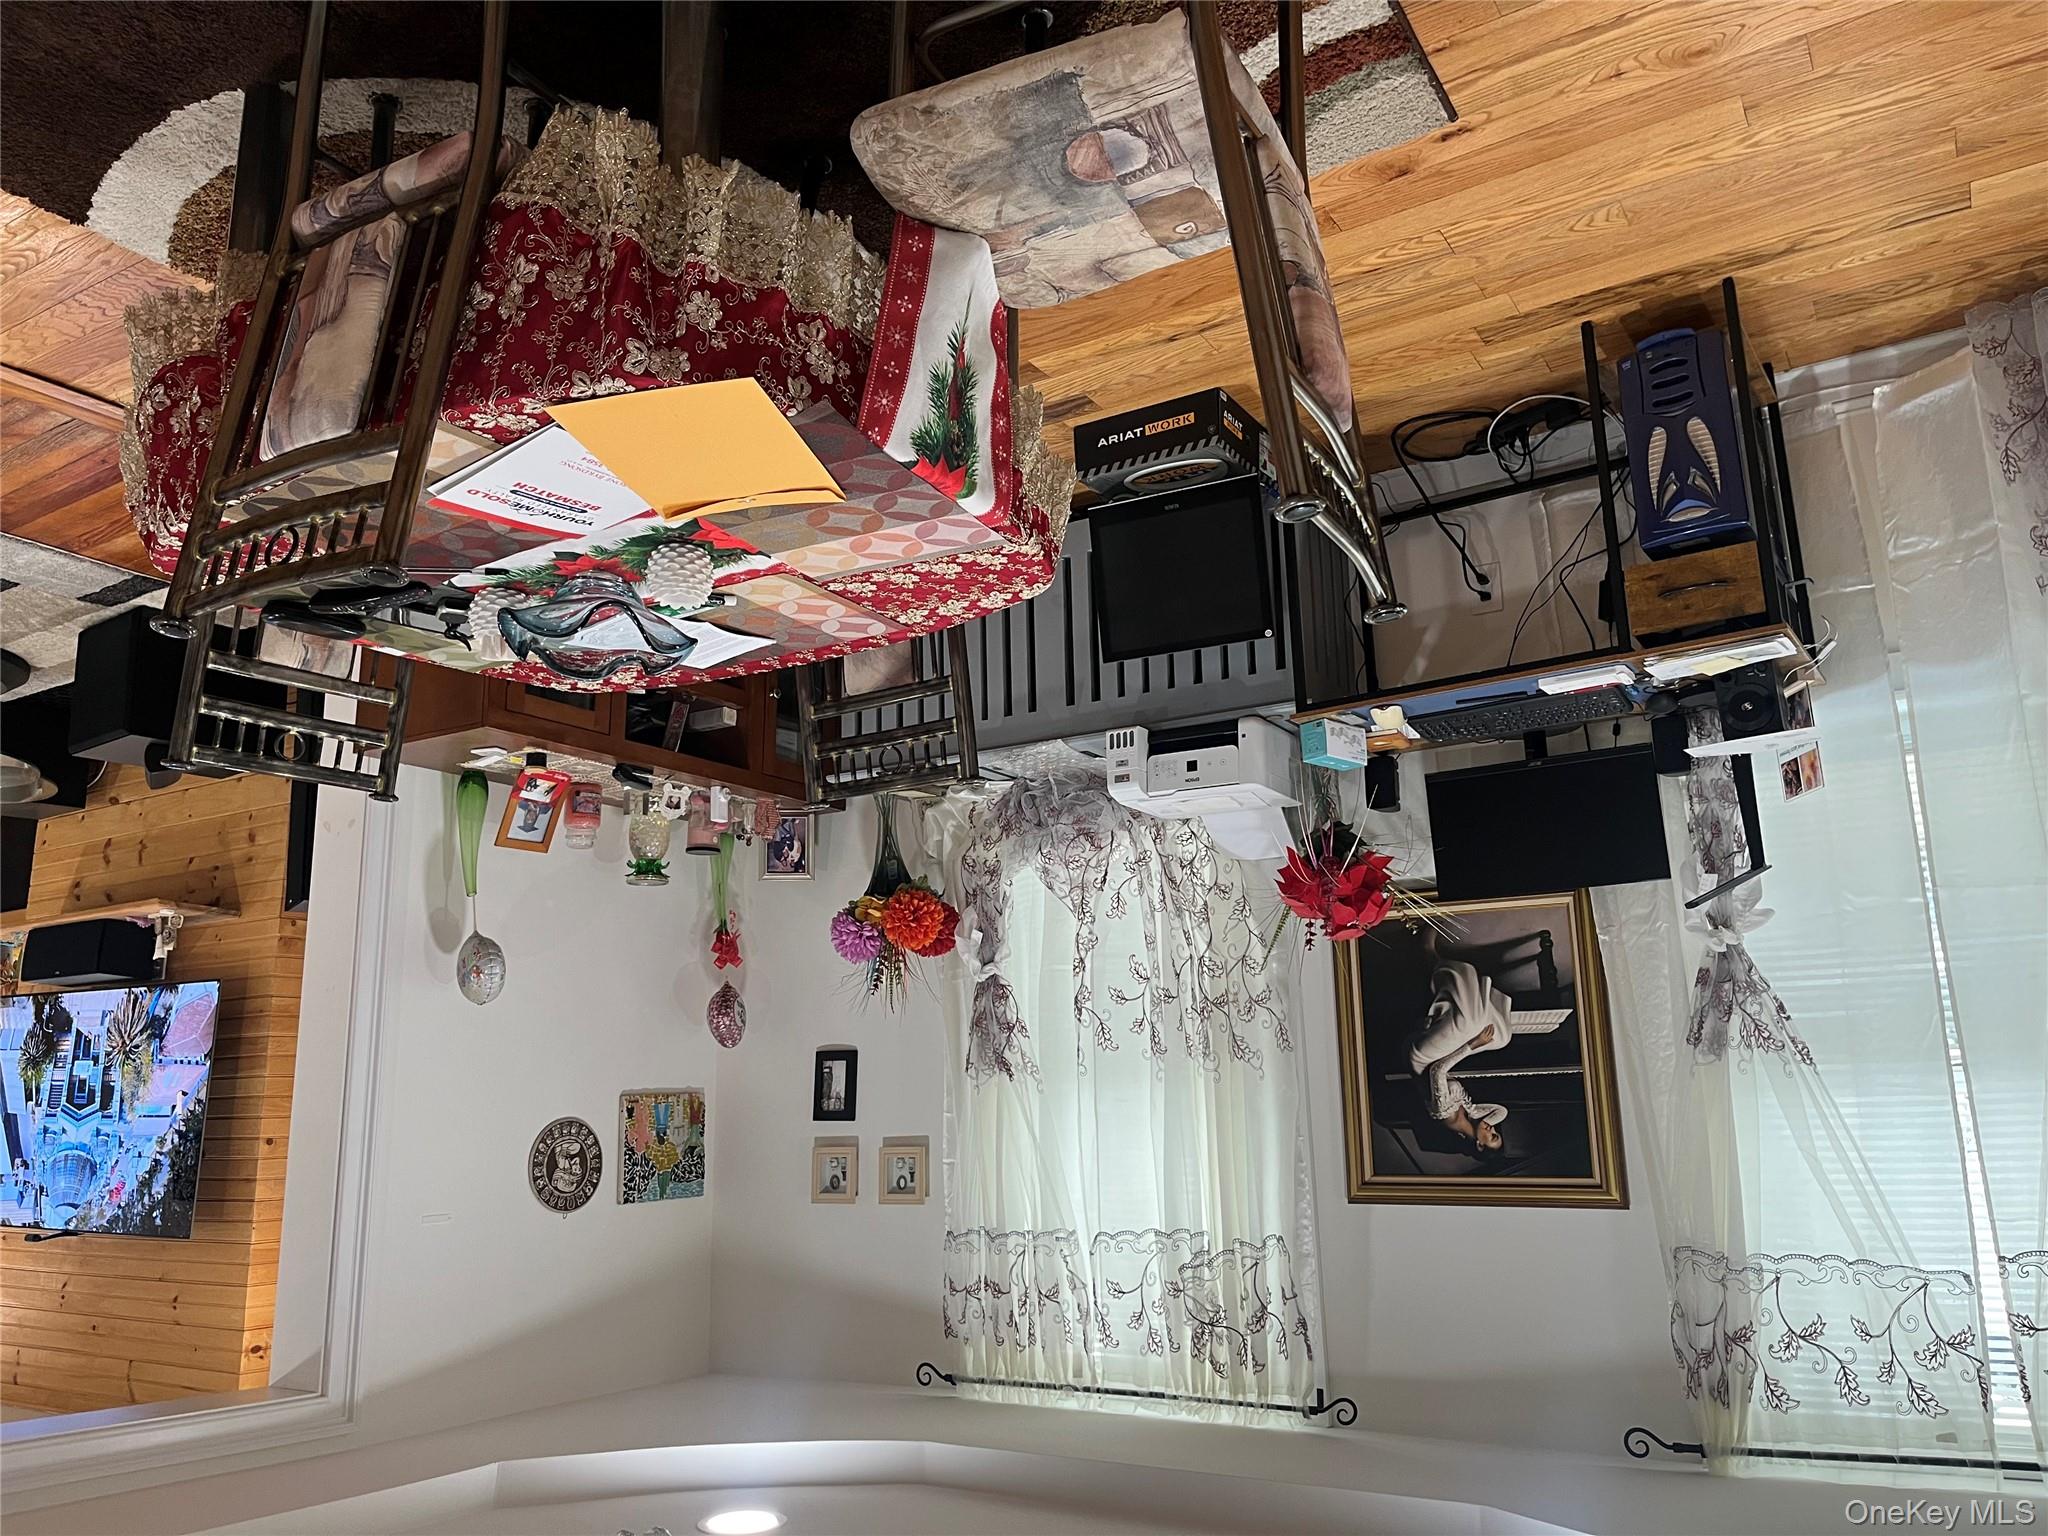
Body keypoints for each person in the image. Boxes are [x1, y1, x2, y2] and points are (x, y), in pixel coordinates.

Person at [1406, 960, 1517, 1153]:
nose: (1492, 1129)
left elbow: (1437, 1071)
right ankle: (1452, 990)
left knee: (1471, 1024)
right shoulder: (1470, 1115)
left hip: (1423, 1059)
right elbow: (1502, 1112)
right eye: (1496, 1133)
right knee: (1501, 1038)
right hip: (1440, 1056)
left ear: (1479, 1145)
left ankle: (1434, 961)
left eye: (1492, 1137)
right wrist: (1483, 1121)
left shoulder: (1448, 1118)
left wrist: (1472, 1045)